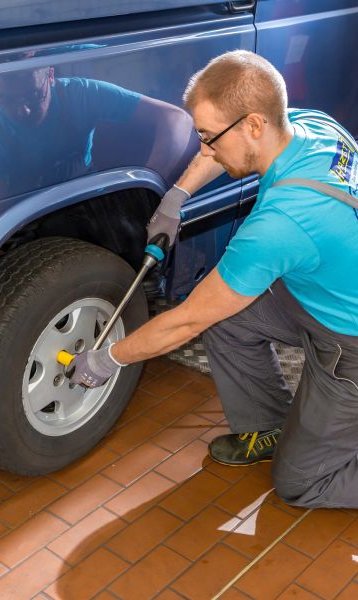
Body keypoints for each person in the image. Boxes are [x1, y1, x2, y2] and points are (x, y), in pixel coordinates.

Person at [69, 50, 358, 509]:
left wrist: (107, 359)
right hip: (322, 291)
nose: (205, 150)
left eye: (208, 137)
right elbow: (229, 149)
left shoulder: (278, 226)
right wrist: (176, 198)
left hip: (348, 340)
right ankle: (268, 427)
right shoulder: (312, 126)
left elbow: (187, 320)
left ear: (255, 124)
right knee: (228, 317)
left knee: (302, 484)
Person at [0, 65, 193, 202]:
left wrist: (146, 185)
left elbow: (176, 118)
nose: (23, 111)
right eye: (7, 100)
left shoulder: (80, 93)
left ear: (50, 76)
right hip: (30, 225)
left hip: (90, 200)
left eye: (34, 96)